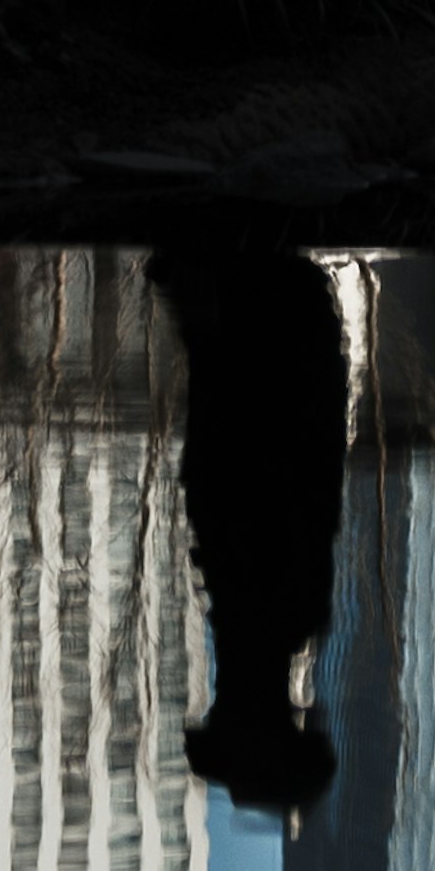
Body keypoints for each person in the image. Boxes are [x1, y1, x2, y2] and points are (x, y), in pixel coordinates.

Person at [149, 225, 348, 816]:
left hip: (269, 375)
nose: (213, 704)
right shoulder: (275, 616)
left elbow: (312, 483)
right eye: (221, 717)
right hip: (266, 375)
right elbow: (295, 483)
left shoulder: (283, 621)